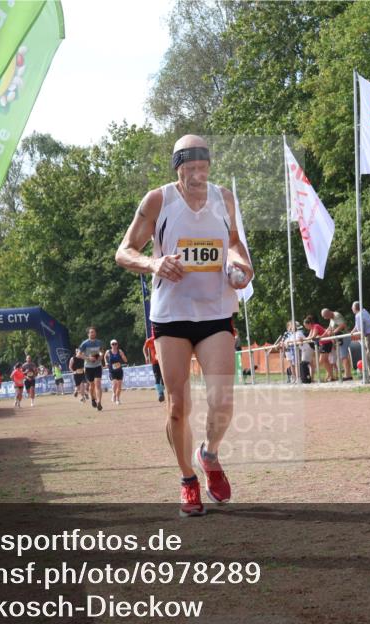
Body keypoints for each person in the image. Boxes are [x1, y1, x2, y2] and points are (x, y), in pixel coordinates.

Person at [115, 134, 253, 517]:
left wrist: (243, 266)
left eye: (203, 168)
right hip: (171, 315)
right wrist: (154, 263)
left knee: (222, 401)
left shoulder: (224, 198)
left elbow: (236, 244)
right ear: (177, 168)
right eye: (189, 169)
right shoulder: (158, 200)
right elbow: (124, 251)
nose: (197, 176)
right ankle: (187, 479)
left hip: (215, 311)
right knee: (178, 406)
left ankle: (208, 454)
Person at [321, 308, 353, 381]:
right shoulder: (331, 318)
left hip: (344, 337)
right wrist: (322, 336)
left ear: (328, 313)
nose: (325, 318)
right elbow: (329, 328)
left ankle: (347, 375)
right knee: (343, 356)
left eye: (325, 316)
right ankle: (348, 374)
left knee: (343, 356)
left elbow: (342, 325)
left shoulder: (336, 315)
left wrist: (333, 332)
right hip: (340, 338)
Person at [80, 326, 104, 411]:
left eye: (94, 332)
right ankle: (93, 399)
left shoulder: (99, 342)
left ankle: (99, 403)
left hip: (97, 366)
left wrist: (101, 356)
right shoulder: (84, 344)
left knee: (98, 384)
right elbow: (79, 355)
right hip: (88, 367)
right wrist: (88, 358)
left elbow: (101, 351)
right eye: (91, 332)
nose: (92, 333)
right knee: (91, 385)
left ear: (95, 333)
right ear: (88, 334)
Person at [303, 314, 330, 381]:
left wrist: (303, 339)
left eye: (306, 326)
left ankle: (317, 377)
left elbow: (313, 336)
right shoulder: (312, 328)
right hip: (323, 344)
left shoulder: (315, 326)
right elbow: (309, 337)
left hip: (326, 344)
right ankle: (330, 376)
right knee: (325, 362)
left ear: (309, 324)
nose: (306, 328)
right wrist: (303, 339)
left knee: (320, 362)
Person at [143, 332, 165, 402]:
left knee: (163, 378)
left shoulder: (162, 339)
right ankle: (160, 393)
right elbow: (144, 348)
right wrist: (146, 357)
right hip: (155, 363)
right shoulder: (149, 340)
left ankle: (162, 391)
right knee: (157, 377)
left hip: (163, 362)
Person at [105, 339, 127, 404]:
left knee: (119, 386)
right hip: (112, 371)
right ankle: (114, 394)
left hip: (119, 370)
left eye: (115, 344)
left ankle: (118, 399)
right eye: (113, 344)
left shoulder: (119, 351)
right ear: (111, 345)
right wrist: (106, 362)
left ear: (117, 345)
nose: (114, 345)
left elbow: (125, 360)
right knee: (115, 383)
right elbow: (104, 356)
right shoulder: (108, 352)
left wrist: (123, 357)